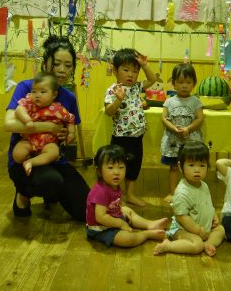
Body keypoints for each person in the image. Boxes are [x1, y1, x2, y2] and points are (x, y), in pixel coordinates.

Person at [4, 35, 89, 221]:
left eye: (68, 65)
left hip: (54, 158)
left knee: (86, 211)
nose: (62, 70)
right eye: (56, 63)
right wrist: (48, 127)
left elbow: (71, 129)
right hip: (26, 157)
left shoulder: (68, 97)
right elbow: (8, 124)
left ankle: (53, 193)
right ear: (45, 64)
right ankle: (23, 194)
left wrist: (68, 135)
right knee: (50, 181)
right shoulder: (27, 87)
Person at [85, 145, 167, 247]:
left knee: (128, 210)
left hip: (113, 217)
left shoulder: (113, 184)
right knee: (127, 239)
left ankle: (149, 224)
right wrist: (121, 224)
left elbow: (116, 201)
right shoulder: (100, 191)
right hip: (102, 229)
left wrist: (121, 209)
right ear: (99, 171)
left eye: (121, 167)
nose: (116, 172)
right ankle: (146, 234)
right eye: (110, 168)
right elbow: (100, 217)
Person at [104, 48, 157, 207]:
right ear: (115, 71)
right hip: (120, 138)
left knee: (134, 167)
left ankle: (131, 195)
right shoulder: (113, 90)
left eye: (135, 71)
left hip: (137, 137)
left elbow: (152, 79)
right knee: (117, 166)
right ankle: (115, 196)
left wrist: (145, 65)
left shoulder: (136, 87)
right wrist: (118, 100)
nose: (131, 75)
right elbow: (109, 112)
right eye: (126, 70)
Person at [153, 142, 225, 256]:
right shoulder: (182, 192)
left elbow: (207, 204)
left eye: (202, 165)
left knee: (220, 230)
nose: (197, 170)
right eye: (191, 165)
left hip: (204, 227)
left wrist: (213, 216)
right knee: (197, 245)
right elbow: (182, 217)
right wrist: (198, 231)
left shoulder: (204, 185)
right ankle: (168, 245)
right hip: (183, 229)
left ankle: (208, 244)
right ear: (180, 167)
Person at [13, 72, 76, 176]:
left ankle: (30, 162)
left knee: (54, 152)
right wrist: (27, 120)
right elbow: (19, 110)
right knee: (17, 154)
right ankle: (29, 159)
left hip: (48, 143)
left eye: (43, 92)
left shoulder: (58, 109)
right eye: (34, 91)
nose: (37, 95)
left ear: (54, 95)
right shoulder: (30, 104)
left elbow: (70, 119)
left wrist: (71, 133)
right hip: (29, 140)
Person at [160, 63, 204, 203]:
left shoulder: (196, 101)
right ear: (173, 83)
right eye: (180, 82)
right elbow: (164, 118)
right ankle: (172, 193)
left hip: (190, 141)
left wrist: (188, 129)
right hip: (174, 141)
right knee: (174, 167)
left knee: (191, 167)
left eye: (188, 82)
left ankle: (191, 193)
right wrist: (173, 128)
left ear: (194, 83)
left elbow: (200, 118)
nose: (184, 86)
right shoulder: (169, 101)